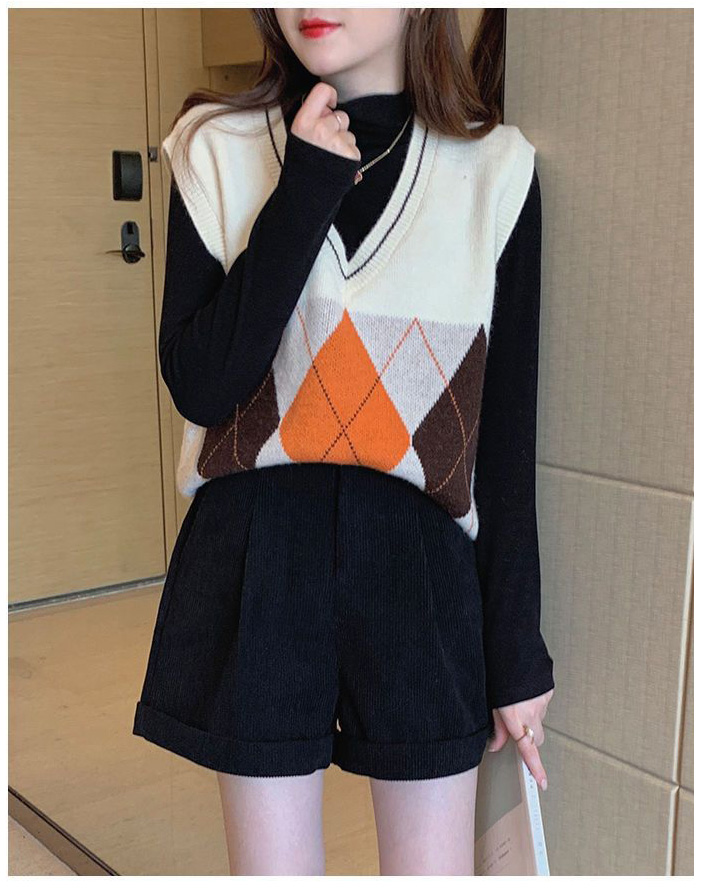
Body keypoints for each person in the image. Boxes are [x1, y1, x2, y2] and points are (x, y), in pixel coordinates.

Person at [132, 8, 555, 876]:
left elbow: (505, 439)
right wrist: (304, 192)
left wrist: (516, 652)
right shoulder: (214, 147)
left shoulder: (496, 170)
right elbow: (202, 383)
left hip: (420, 567)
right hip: (256, 553)